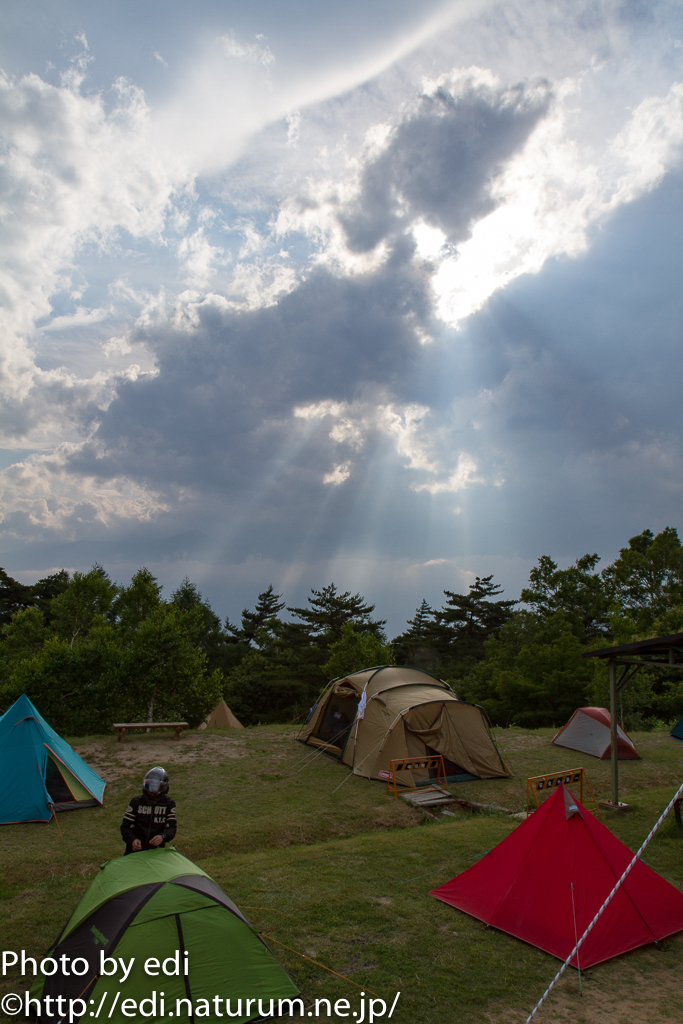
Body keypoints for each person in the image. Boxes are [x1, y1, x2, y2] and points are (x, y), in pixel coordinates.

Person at [121, 766, 177, 855]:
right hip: (134, 852)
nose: (152, 793)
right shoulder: (136, 802)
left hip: (157, 852)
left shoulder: (169, 804)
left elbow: (172, 828)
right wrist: (132, 840)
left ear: (164, 788)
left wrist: (162, 837)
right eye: (149, 788)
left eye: (156, 790)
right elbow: (125, 827)